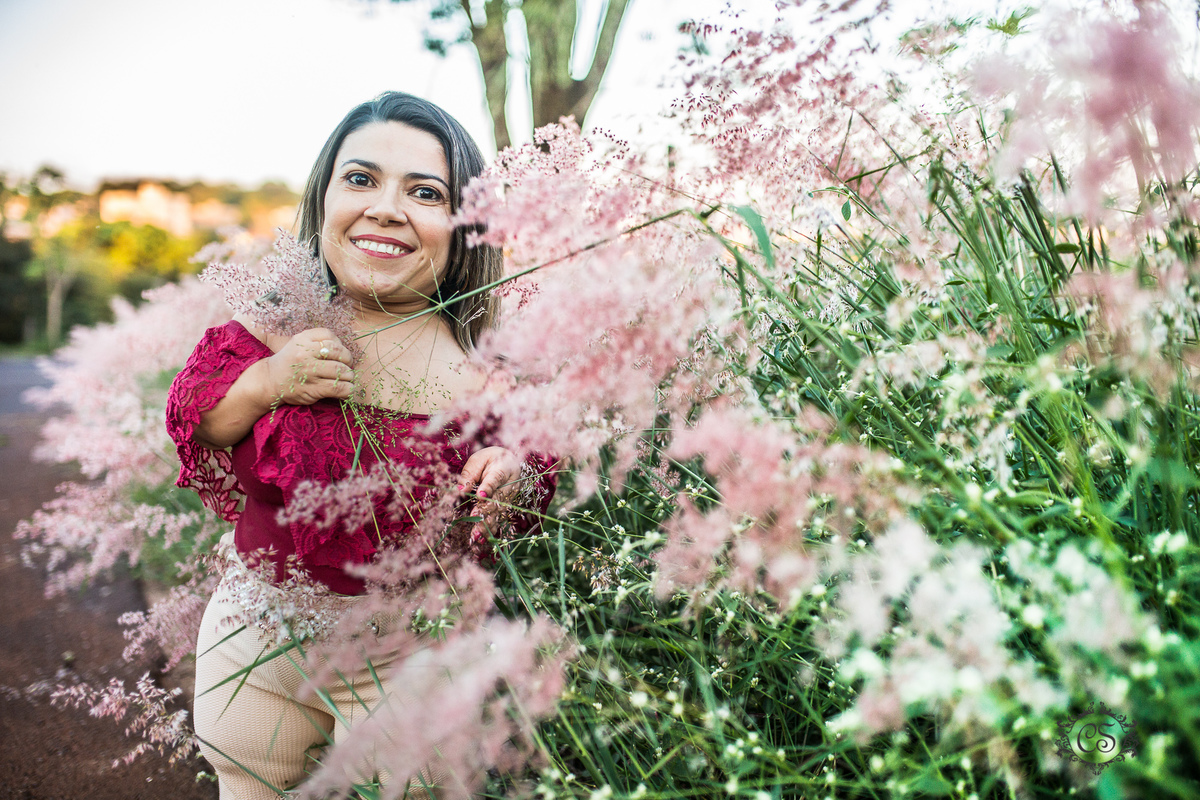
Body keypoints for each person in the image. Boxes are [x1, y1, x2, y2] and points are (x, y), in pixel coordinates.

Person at [166, 92, 554, 799]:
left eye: (426, 192)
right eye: (361, 179)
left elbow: (536, 478)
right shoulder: (273, 327)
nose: (384, 207)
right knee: (246, 774)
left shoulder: (481, 373)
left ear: (467, 229)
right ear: (322, 200)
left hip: (403, 649)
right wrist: (266, 383)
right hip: (256, 625)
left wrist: (514, 475)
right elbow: (200, 421)